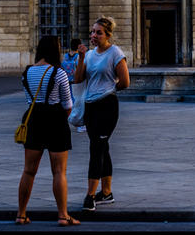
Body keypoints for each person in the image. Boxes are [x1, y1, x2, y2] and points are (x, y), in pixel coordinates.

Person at [16, 35, 79, 226]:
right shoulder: (58, 73)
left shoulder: (27, 72)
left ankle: (21, 214)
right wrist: (60, 118)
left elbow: (29, 99)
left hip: (33, 119)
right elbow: (68, 104)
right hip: (55, 120)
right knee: (59, 172)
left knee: (28, 171)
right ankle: (62, 215)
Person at [74, 17, 130, 212]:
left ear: (107, 35)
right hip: (90, 106)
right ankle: (106, 193)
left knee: (96, 148)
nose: (93, 35)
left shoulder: (115, 53)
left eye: (98, 32)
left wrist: (107, 90)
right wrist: (81, 58)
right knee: (102, 147)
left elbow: (124, 82)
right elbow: (78, 79)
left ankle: (90, 195)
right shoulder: (89, 55)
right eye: (92, 32)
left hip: (107, 105)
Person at [61, 38, 85, 133]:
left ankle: (68, 119)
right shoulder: (78, 56)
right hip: (76, 81)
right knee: (78, 101)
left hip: (67, 81)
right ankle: (80, 124)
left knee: (69, 101)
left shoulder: (65, 56)